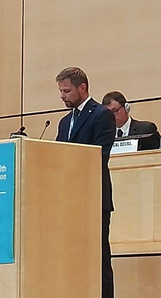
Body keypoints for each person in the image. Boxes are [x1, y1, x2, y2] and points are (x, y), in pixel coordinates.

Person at [54, 67, 116, 298]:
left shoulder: (101, 114)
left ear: (82, 87)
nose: (62, 96)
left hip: (93, 197)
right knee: (72, 258)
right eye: (61, 91)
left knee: (98, 258)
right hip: (68, 199)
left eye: (66, 91)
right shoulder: (64, 122)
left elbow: (99, 155)